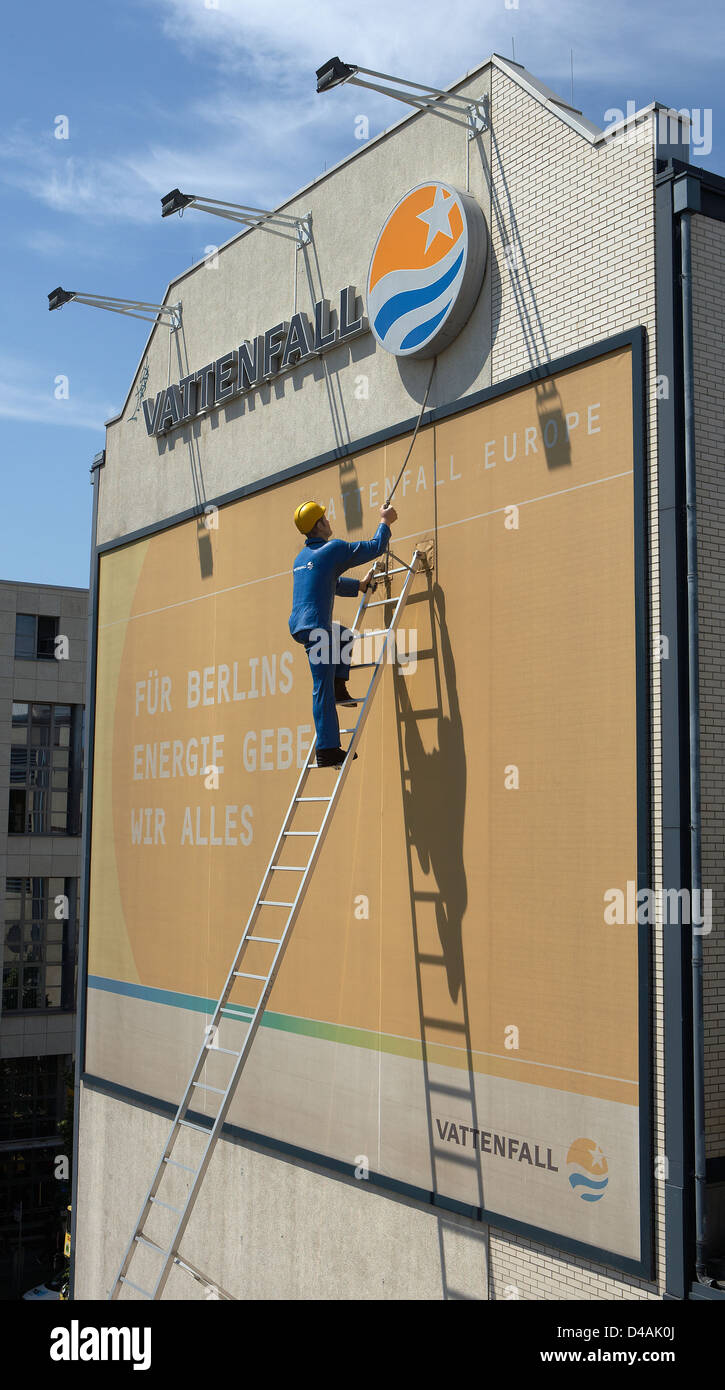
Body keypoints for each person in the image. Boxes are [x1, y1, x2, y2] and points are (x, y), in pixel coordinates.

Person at [289, 500, 398, 767]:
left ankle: (340, 687)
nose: (329, 520)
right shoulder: (333, 549)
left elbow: (330, 582)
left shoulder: (302, 558)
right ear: (319, 524)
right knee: (321, 688)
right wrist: (385, 521)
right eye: (325, 518)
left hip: (304, 625)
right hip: (316, 627)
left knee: (344, 636)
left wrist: (359, 586)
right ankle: (327, 749)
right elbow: (375, 547)